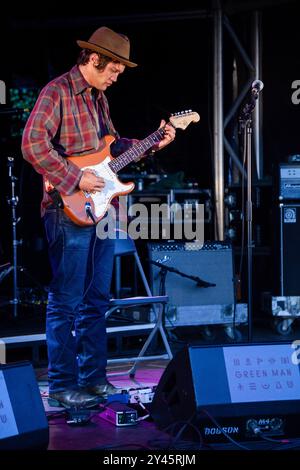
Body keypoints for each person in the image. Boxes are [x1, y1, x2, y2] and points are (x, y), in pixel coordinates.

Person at [21, 26, 176, 408]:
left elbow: (113, 150)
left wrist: (151, 141)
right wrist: (75, 177)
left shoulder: (98, 100)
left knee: (97, 298)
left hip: (104, 209)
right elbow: (32, 143)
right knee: (66, 299)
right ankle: (61, 385)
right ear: (94, 59)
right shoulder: (56, 92)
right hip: (67, 208)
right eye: (113, 69)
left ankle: (93, 379)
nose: (116, 76)